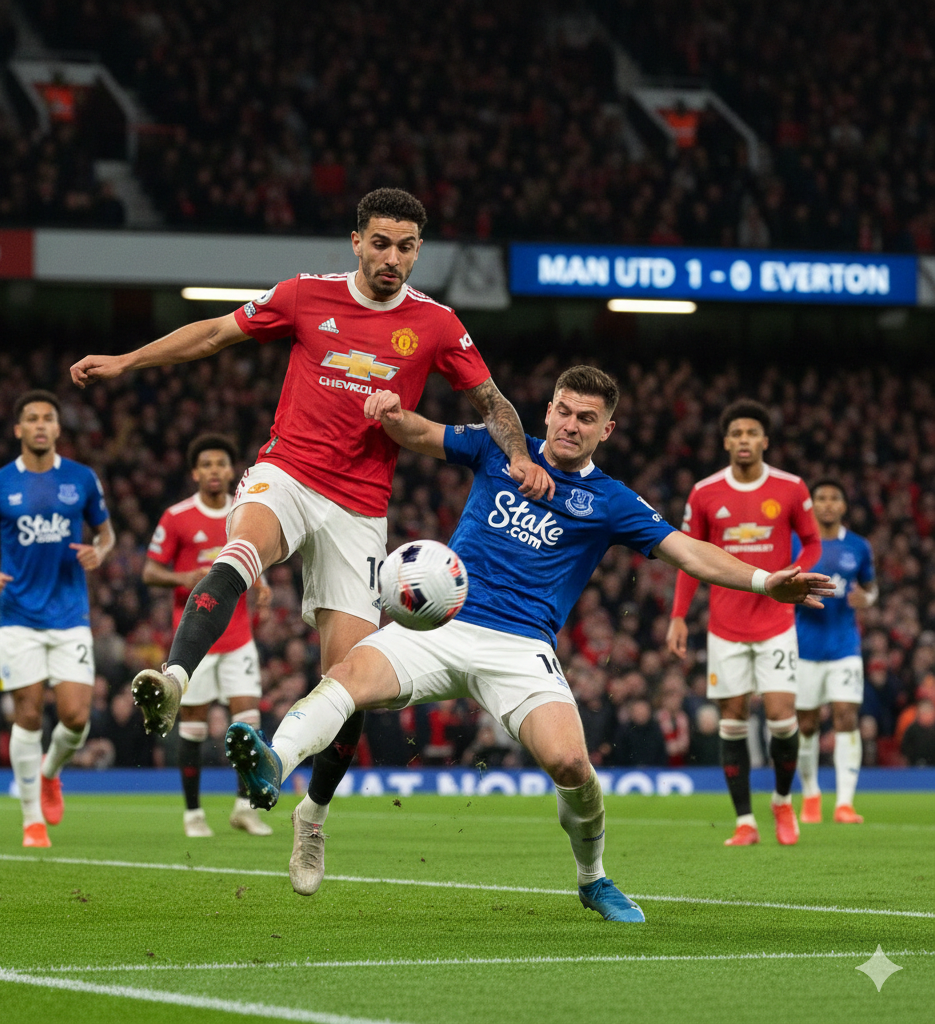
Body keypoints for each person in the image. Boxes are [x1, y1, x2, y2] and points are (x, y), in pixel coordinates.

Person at [70, 187, 551, 888]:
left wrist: (519, 455)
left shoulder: (437, 324)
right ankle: (175, 680)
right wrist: (127, 361)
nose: (392, 258)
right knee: (240, 547)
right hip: (288, 471)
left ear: (419, 251)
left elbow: (493, 401)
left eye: (406, 246)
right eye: (380, 243)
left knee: (347, 680)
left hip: (359, 509)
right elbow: (213, 334)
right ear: (356, 241)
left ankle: (312, 819)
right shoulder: (303, 295)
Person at [224, 367, 831, 916]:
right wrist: (386, 409)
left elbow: (686, 551)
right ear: (546, 412)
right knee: (347, 680)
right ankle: (279, 767)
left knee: (572, 763)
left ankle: (592, 879)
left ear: (606, 430)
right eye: (564, 411)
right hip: (439, 625)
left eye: (586, 418)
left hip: (521, 649)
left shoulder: (611, 501)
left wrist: (761, 580)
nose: (571, 424)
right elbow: (421, 432)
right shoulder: (496, 448)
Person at [666, 399, 822, 847]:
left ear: (765, 440)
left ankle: (781, 801)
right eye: (736, 434)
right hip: (725, 626)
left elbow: (811, 542)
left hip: (776, 621)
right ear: (725, 442)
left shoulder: (791, 488)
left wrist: (796, 574)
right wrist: (678, 615)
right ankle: (744, 822)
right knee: (732, 719)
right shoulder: (705, 492)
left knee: (781, 717)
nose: (744, 440)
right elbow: (688, 557)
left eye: (752, 433)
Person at [0, 389, 115, 847]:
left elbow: (106, 534)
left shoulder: (81, 479)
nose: (40, 425)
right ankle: (32, 820)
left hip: (70, 614)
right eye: (31, 418)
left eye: (47, 418)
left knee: (75, 717)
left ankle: (51, 772)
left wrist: (99, 552)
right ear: (18, 429)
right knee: (28, 715)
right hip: (18, 617)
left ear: (57, 428)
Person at [143, 433, 273, 838]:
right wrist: (183, 577)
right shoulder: (177, 516)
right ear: (195, 472)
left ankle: (243, 809)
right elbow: (149, 572)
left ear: (232, 470)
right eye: (207, 464)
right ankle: (193, 814)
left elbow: (255, 554)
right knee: (193, 727)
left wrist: (263, 584)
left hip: (238, 637)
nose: (215, 470)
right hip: (196, 641)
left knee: (248, 719)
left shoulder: (246, 511)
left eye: (221, 463)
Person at [794, 480, 877, 824]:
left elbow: (871, 588)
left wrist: (867, 599)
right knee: (807, 724)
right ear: (812, 505)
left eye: (834, 499)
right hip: (803, 648)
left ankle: (844, 803)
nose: (827, 504)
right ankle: (811, 795)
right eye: (821, 499)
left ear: (843, 506)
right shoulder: (797, 543)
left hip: (845, 646)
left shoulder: (858, 547)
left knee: (846, 716)